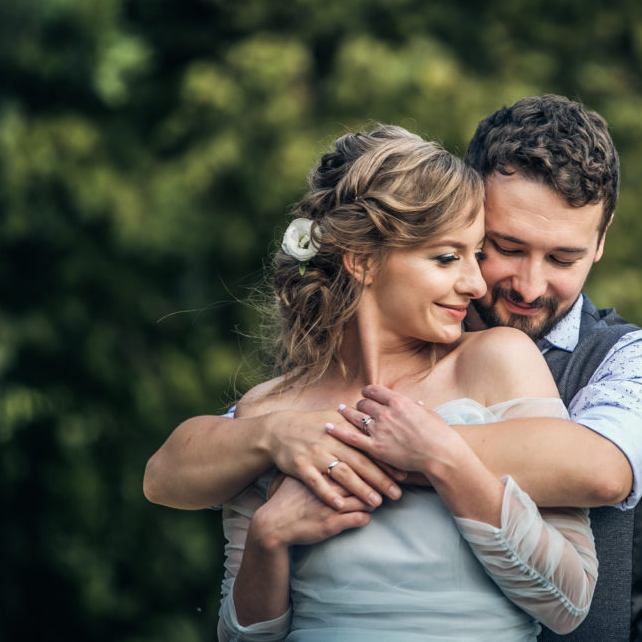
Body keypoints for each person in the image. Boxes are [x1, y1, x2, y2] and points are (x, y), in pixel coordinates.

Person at [144, 96, 642, 641]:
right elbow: (182, 468)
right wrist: (271, 451)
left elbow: (603, 470)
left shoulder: (626, 356)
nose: (528, 285)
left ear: (601, 240)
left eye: (562, 259)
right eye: (500, 248)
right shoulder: (300, 406)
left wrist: (408, 446)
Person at [212, 125, 598, 641]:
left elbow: (569, 602)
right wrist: (267, 538)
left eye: (477, 253)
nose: (476, 283)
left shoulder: (498, 361)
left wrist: (444, 459)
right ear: (363, 260)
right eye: (447, 258)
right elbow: (242, 639)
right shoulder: (268, 415)